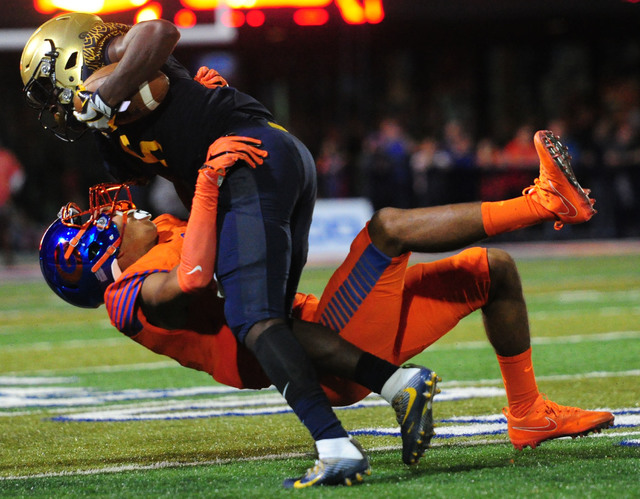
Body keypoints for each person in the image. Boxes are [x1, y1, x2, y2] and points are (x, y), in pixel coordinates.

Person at [21, 13, 438, 487]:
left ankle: (335, 446)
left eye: (50, 89)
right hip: (268, 160)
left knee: (253, 319)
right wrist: (207, 191)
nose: (57, 105)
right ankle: (399, 385)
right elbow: (179, 167)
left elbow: (159, 32)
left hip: (250, 159)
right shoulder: (110, 139)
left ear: (70, 56)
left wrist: (111, 90)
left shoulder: (118, 60)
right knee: (271, 322)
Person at [40, 129, 613, 469]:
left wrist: (205, 112)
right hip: (326, 354)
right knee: (388, 229)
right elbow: (192, 279)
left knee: (492, 271)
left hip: (329, 324)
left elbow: (210, 226)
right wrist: (209, 186)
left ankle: (529, 414)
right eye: (98, 219)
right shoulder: (127, 297)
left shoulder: (161, 231)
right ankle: (545, 203)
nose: (113, 210)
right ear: (96, 254)